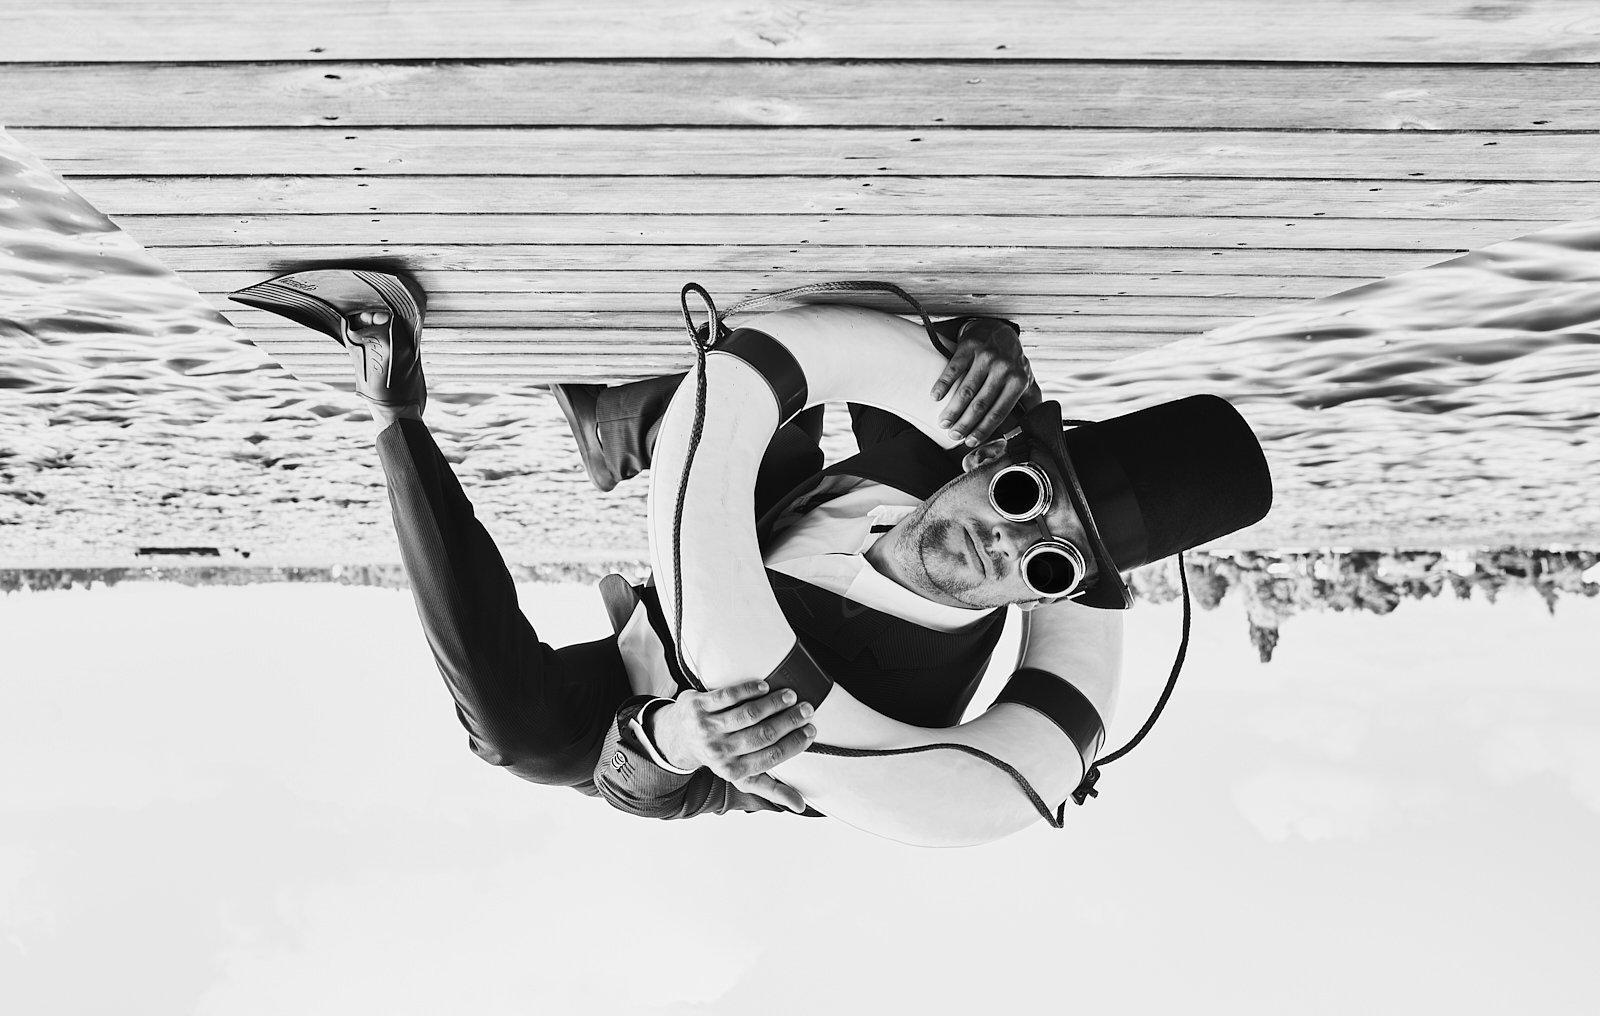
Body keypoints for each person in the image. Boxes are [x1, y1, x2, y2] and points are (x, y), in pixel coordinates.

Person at [230, 268, 1272, 823]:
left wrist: (679, 741)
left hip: (671, 685)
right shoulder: (938, 452)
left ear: (1051, 597)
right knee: (759, 405)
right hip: (741, 506)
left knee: (520, 741)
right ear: (995, 460)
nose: (1004, 543)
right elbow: (895, 335)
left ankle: (396, 414)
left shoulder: (917, 715)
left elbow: (684, 792)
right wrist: (988, 341)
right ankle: (628, 426)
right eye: (1020, 497)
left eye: (1047, 565)